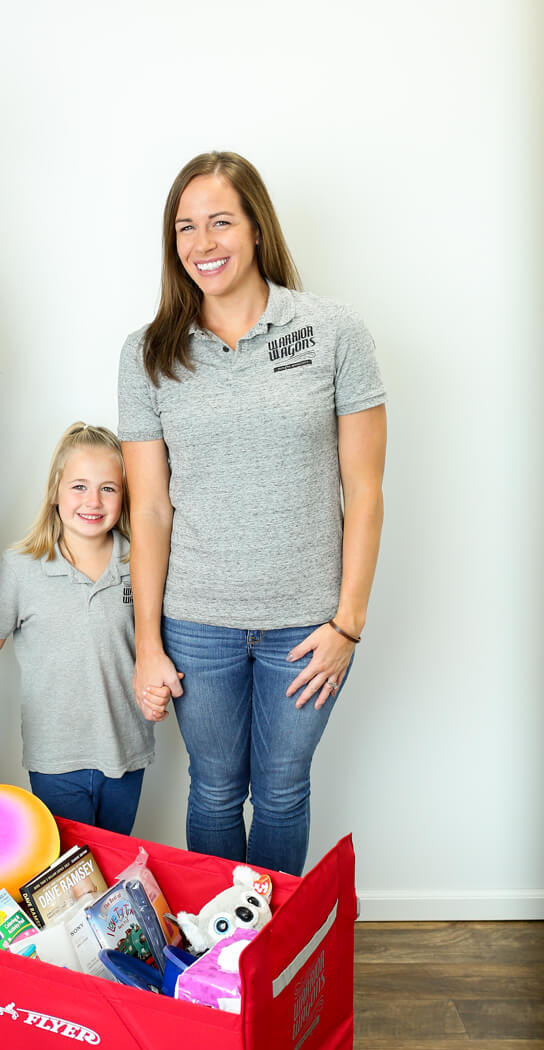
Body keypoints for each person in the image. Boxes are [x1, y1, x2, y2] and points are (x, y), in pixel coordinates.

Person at [118, 151, 386, 876]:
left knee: (280, 789)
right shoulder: (149, 355)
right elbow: (149, 509)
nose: (202, 243)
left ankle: (268, 959)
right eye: (185, 228)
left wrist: (347, 624)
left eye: (220, 222)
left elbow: (364, 491)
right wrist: (148, 641)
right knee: (212, 789)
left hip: (307, 623)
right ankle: (217, 960)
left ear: (257, 228)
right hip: (197, 622)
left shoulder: (332, 333)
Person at [0, 422, 171, 835]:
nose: (92, 500)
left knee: (111, 866)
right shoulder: (24, 566)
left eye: (108, 488)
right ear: (56, 491)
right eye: (79, 486)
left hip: (127, 753)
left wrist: (159, 687)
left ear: (125, 496)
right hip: (55, 760)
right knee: (65, 876)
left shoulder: (141, 563)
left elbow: (156, 647)